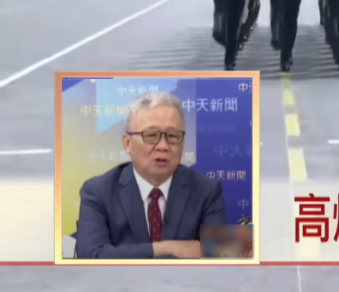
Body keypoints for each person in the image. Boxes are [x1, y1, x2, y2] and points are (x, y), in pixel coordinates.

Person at [74, 91, 227, 259]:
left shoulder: (207, 190)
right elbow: (90, 255)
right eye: (151, 135)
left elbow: (221, 255)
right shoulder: (98, 192)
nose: (163, 146)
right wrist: (166, 248)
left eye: (173, 136)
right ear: (127, 143)